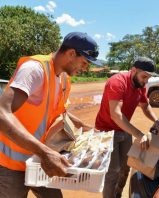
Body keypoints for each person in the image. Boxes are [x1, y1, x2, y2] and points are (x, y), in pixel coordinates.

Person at [0, 32, 101, 198]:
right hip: (10, 164)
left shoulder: (63, 79)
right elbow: (2, 113)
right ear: (71, 53)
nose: (85, 68)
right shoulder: (35, 69)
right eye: (84, 62)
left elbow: (60, 112)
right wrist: (44, 153)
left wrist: (87, 128)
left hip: (38, 160)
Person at [95, 57, 159, 198]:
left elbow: (146, 106)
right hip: (106, 132)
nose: (146, 81)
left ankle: (117, 194)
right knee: (113, 172)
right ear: (133, 70)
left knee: (126, 168)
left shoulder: (140, 85)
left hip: (124, 129)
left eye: (148, 78)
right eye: (144, 76)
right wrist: (139, 134)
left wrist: (156, 120)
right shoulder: (117, 82)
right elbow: (115, 114)